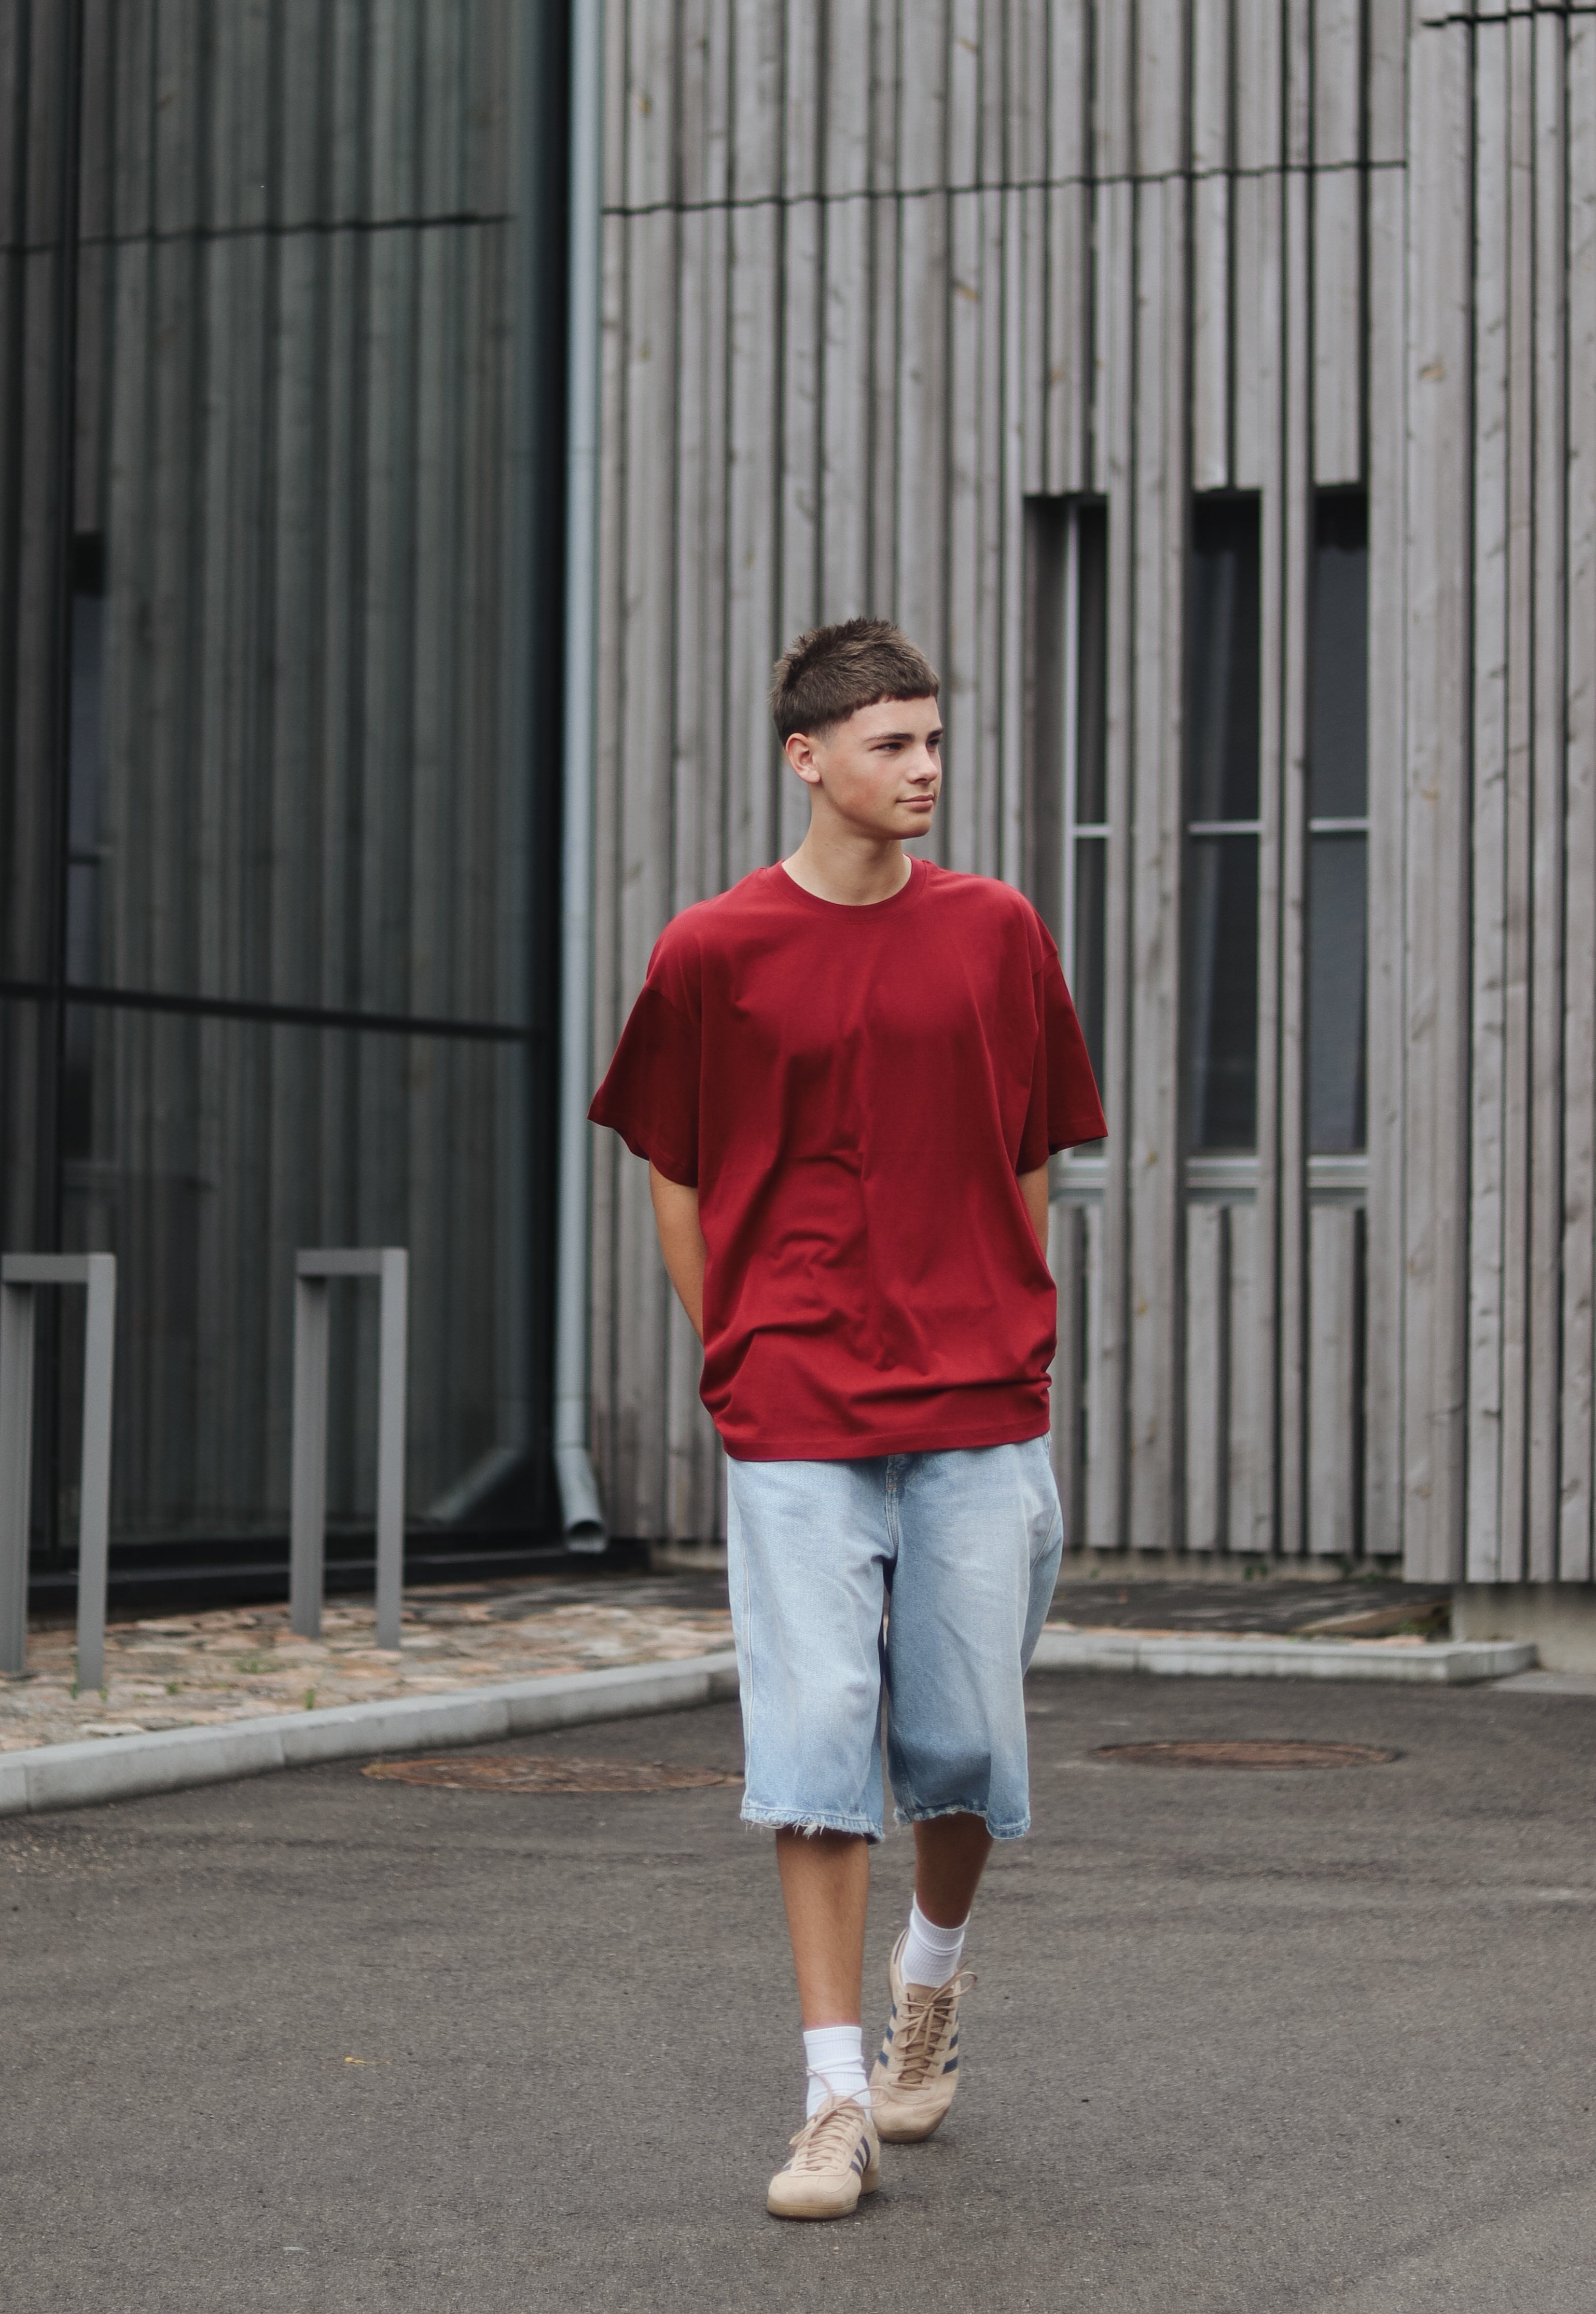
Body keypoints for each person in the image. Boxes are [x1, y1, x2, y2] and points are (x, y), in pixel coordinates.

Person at [589, 615, 1106, 2221]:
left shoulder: (999, 934)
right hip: (797, 1411)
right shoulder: (711, 952)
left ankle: (931, 1982)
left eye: (935, 742)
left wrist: (1013, 1331)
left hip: (972, 1406)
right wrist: (737, 1350)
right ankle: (833, 2104)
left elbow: (1033, 1151)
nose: (926, 770)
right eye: (893, 745)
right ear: (806, 758)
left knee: (959, 1752)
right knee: (816, 1745)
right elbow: (675, 1174)